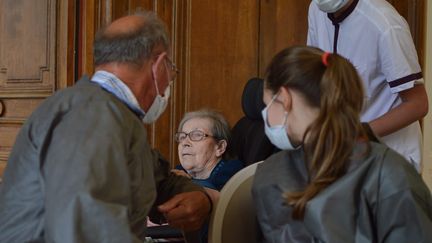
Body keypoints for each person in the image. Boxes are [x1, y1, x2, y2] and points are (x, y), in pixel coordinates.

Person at [0, 11, 212, 243]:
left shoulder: (112, 114)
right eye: (171, 68)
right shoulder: (92, 115)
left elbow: (153, 177)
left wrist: (197, 196)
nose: (170, 78)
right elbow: (85, 232)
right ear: (159, 65)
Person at [252, 46, 432, 242]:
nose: (266, 116)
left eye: (267, 104)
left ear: (284, 99)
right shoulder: (392, 175)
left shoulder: (268, 176)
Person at [307, 0, 428, 172]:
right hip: (346, 155)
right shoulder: (316, 9)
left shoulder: (385, 24)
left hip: (390, 159)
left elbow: (418, 105)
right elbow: (316, 74)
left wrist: (357, 134)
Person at [172, 109, 243, 242]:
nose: (185, 143)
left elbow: (224, 207)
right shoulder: (178, 172)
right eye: (182, 136)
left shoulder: (233, 173)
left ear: (220, 147)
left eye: (197, 135)